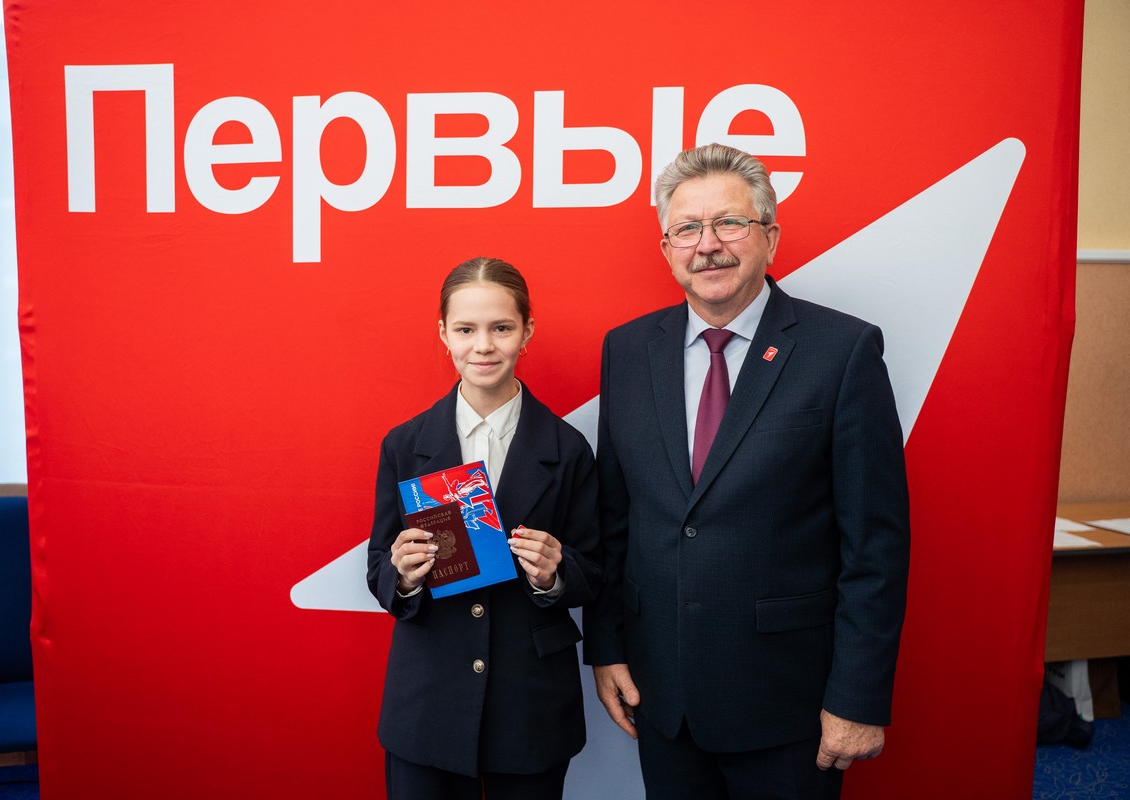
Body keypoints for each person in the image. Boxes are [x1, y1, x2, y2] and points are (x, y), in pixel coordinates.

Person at [584, 144, 910, 800]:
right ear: (667, 249)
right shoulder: (627, 350)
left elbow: (875, 546)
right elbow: (615, 519)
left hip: (789, 706)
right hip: (663, 697)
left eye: (729, 223)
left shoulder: (842, 352)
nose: (708, 245)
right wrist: (607, 647)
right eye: (687, 229)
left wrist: (857, 697)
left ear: (770, 237)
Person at [366, 257, 602, 800]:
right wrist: (403, 576)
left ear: (527, 331)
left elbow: (595, 570)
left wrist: (556, 574)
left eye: (501, 328)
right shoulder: (404, 445)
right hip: (427, 700)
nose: (483, 346)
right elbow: (379, 566)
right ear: (443, 333)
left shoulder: (568, 450)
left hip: (530, 706)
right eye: (466, 330)